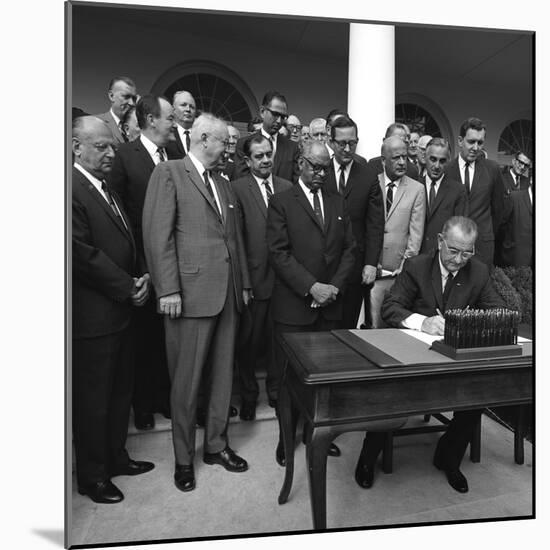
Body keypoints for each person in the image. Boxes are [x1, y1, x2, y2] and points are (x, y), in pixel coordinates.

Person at [142, 113, 252, 493]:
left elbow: (233, 241)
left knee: (223, 377)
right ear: (205, 139)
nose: (228, 148)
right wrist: (167, 289)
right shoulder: (169, 173)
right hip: (187, 297)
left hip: (227, 295)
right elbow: (158, 236)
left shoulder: (224, 183)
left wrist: (245, 285)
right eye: (224, 142)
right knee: (186, 384)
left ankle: (216, 446)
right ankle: (184, 459)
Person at [355, 216, 504, 493]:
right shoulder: (417, 266)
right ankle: (367, 457)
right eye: (453, 251)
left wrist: (466, 322)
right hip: (413, 353)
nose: (459, 260)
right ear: (439, 242)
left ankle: (448, 458)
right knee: (387, 393)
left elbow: (497, 311)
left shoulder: (479, 272)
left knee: (478, 392)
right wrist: (422, 322)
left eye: (467, 253)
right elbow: (391, 308)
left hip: (455, 356)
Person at [72, 116, 154, 504]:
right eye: (101, 146)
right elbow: (82, 254)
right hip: (93, 318)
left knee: (120, 392)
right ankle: (92, 476)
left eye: (111, 147)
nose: (110, 153)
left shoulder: (106, 188)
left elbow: (125, 240)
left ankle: (116, 457)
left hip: (121, 310)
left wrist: (140, 277)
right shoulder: (69, 189)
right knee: (93, 400)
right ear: (77, 148)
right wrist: (127, 287)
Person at [266, 140, 356, 465]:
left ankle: (315, 435)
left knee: (323, 380)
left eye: (324, 168)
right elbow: (278, 253)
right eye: (314, 166)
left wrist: (333, 287)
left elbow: (349, 250)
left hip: (330, 306)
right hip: (294, 307)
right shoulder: (281, 202)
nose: (319, 173)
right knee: (288, 382)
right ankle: (286, 439)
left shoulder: (337, 201)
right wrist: (311, 287)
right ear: (300, 164)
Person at [108, 94, 177, 430]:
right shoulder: (124, 156)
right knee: (144, 340)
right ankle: (144, 404)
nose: (174, 124)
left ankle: (165, 398)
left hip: (173, 266)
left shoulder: (176, 156)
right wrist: (138, 269)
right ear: (151, 120)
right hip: (140, 267)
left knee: (168, 339)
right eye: (169, 118)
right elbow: (119, 218)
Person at [231, 134, 293, 420]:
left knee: (277, 343)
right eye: (259, 156)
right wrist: (244, 282)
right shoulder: (237, 190)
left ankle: (276, 391)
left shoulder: (286, 187)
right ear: (247, 160)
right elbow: (237, 241)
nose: (266, 160)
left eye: (268, 154)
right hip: (254, 282)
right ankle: (248, 395)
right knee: (248, 343)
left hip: (284, 283)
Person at [324, 115, 384, 329]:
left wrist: (370, 262)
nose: (348, 148)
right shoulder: (320, 172)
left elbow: (375, 224)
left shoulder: (368, 176)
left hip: (355, 267)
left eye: (352, 142)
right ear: (331, 143)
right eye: (342, 143)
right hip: (323, 265)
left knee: (347, 326)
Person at [369, 136, 426, 328]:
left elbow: (415, 234)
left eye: (404, 157)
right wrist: (370, 261)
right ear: (383, 160)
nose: (402, 162)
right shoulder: (370, 184)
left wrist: (405, 267)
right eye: (396, 158)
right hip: (369, 269)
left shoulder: (417, 189)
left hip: (397, 273)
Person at [445, 117, 506, 266]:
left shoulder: (492, 169)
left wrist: (487, 234)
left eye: (480, 142)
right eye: (471, 141)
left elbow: (499, 210)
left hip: (483, 247)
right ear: (460, 141)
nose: (476, 147)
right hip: (452, 247)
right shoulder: (446, 170)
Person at [235, 91, 300, 182]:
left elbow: (295, 183)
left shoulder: (292, 148)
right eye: (275, 114)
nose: (278, 121)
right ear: (262, 112)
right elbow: (241, 181)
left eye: (282, 117)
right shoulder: (243, 144)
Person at [420, 138, 467, 254]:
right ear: (425, 158)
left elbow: (459, 230)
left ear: (448, 161)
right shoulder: (413, 186)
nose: (437, 166)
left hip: (442, 257)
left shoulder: (458, 191)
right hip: (414, 257)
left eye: (442, 161)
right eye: (433, 159)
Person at [96, 76, 138, 145]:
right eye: (126, 97)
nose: (132, 103)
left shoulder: (141, 127)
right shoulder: (96, 124)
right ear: (111, 96)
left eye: (134, 98)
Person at [166, 90, 197, 159]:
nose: (188, 109)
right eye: (183, 105)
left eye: (192, 107)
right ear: (173, 109)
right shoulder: (167, 133)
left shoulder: (200, 134)